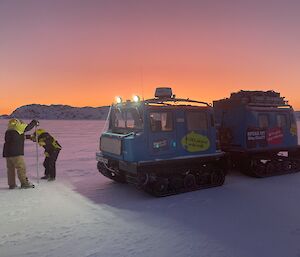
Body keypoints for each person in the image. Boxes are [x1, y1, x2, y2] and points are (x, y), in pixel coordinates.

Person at [3, 119, 39, 189]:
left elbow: (19, 137)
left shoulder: (9, 131)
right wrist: (34, 122)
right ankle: (24, 183)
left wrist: (29, 137)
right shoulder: (18, 127)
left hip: (7, 153)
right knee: (21, 168)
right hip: (16, 153)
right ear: (17, 123)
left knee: (10, 169)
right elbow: (27, 128)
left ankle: (12, 184)